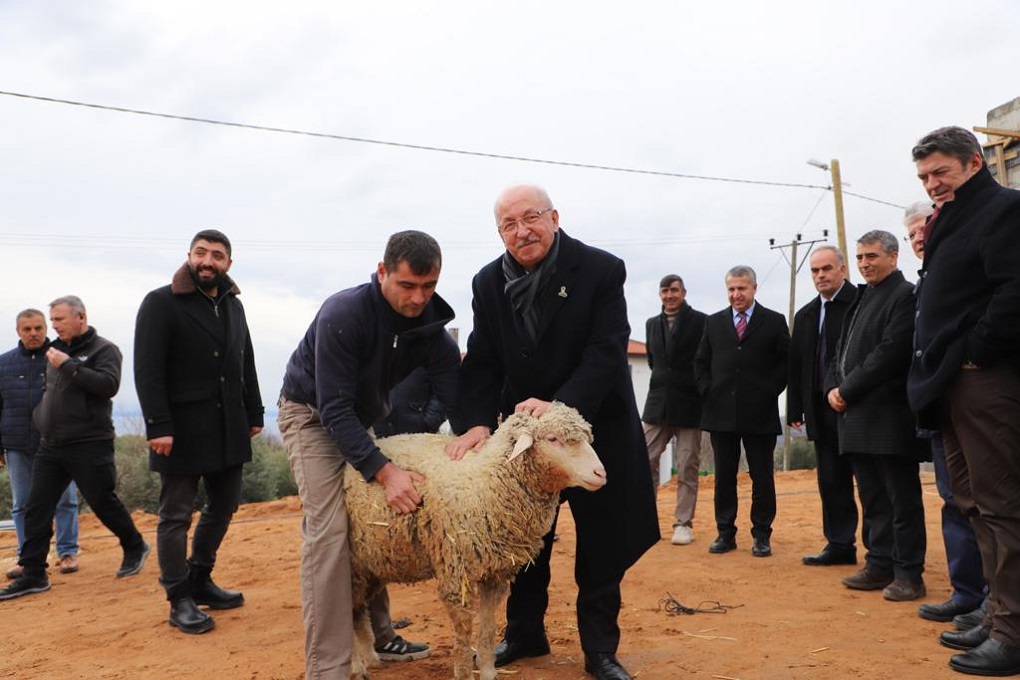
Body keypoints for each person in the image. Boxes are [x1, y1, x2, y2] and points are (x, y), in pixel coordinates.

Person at [447, 184, 659, 680]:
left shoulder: (601, 269)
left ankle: (600, 651)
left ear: (555, 217)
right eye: (509, 225)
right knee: (524, 539)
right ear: (500, 233)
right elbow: (482, 360)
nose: (522, 232)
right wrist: (476, 422)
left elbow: (606, 351)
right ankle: (524, 634)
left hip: (592, 427)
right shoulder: (486, 283)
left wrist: (560, 409)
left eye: (531, 218)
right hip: (524, 443)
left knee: (603, 539)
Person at [279, 230, 460, 680]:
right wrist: (384, 471)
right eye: (407, 285)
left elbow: (458, 387)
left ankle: (383, 637)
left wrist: (477, 426)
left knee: (375, 523)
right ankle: (328, 668)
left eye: (429, 286)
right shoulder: (345, 313)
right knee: (330, 534)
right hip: (312, 414)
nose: (418, 298)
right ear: (382, 272)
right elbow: (333, 407)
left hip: (358, 418)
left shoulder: (429, 324)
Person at [909, 126, 1020, 676]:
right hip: (949, 379)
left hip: (983, 379)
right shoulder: (949, 216)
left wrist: (976, 352)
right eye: (924, 176)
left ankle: (1014, 631)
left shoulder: (1004, 210)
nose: (932, 184)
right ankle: (995, 610)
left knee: (1001, 506)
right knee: (972, 501)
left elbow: (1014, 289)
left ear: (975, 163)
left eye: (941, 173)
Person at [134, 229, 265, 634]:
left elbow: (246, 359)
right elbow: (147, 368)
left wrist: (255, 410)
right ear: (189, 255)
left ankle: (200, 578)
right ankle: (178, 597)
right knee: (175, 515)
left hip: (229, 425)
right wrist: (158, 425)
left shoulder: (233, 306)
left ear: (229, 263)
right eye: (201, 253)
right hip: (180, 429)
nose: (208, 261)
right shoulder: (160, 302)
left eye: (218, 255)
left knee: (224, 506)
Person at [0, 296, 149, 601]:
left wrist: (68, 365)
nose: (53, 326)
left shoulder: (103, 349)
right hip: (51, 444)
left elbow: (108, 385)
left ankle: (134, 545)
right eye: (52, 320)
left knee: (102, 501)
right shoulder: (55, 350)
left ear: (81, 317)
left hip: (89, 442)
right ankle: (33, 573)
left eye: (59, 319)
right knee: (36, 508)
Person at [826, 230, 926, 602]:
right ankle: (879, 563)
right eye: (861, 258)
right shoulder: (863, 296)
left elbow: (890, 352)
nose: (865, 263)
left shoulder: (904, 295)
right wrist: (831, 387)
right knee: (872, 498)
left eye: (872, 256)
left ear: (893, 257)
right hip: (855, 417)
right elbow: (840, 349)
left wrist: (846, 389)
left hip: (888, 416)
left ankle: (909, 573)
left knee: (901, 500)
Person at [901, 202, 986, 625]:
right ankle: (967, 593)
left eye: (924, 230)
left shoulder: (966, 278)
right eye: (912, 234)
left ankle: (994, 601)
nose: (919, 238)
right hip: (938, 408)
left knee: (988, 503)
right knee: (954, 500)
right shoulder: (920, 289)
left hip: (978, 404)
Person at [694, 265, 789, 558]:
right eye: (732, 289)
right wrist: (709, 392)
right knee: (724, 477)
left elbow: (785, 365)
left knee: (762, 477)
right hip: (721, 414)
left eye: (742, 288)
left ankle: (762, 534)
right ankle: (725, 533)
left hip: (760, 414)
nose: (736, 294)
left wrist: (767, 392)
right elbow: (700, 363)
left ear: (754, 288)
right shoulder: (713, 323)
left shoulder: (774, 322)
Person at [787, 247, 861, 566]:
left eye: (827, 269)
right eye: (815, 271)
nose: (820, 276)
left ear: (842, 269)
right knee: (831, 480)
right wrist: (794, 410)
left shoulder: (860, 302)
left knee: (869, 480)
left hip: (856, 405)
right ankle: (840, 544)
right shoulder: (805, 315)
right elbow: (797, 365)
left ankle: (884, 553)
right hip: (819, 408)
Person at [1, 309, 80, 579]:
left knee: (65, 500)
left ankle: (67, 552)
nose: (33, 333)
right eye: (27, 329)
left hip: (59, 442)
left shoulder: (61, 358)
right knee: (22, 503)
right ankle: (27, 557)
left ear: (46, 328)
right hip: (17, 443)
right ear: (18, 331)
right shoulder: (4, 364)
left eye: (38, 328)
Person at [641, 274, 706, 546]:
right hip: (657, 403)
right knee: (644, 460)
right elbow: (654, 361)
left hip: (690, 404)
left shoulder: (702, 321)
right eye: (665, 291)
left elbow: (705, 360)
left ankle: (683, 523)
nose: (670, 295)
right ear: (660, 294)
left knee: (688, 465)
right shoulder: (651, 324)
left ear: (684, 292)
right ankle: (644, 522)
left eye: (675, 290)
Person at [372, 366, 448, 437]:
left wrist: (430, 421)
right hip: (375, 430)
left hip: (416, 431)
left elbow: (441, 389)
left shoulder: (428, 354)